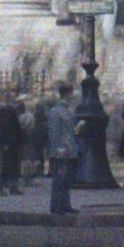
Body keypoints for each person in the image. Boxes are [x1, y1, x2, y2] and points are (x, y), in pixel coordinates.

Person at [45, 81, 82, 216]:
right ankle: (56, 206)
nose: (72, 96)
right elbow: (55, 133)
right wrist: (60, 149)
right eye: (71, 93)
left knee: (66, 179)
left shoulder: (68, 111)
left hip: (69, 150)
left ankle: (65, 205)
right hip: (61, 152)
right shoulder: (56, 111)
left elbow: (70, 132)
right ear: (67, 94)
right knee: (59, 179)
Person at [0, 91, 25, 196]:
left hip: (12, 142)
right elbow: (5, 129)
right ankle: (0, 188)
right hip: (7, 142)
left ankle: (13, 187)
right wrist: (7, 143)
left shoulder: (10, 110)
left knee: (14, 166)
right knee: (4, 166)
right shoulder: (5, 111)